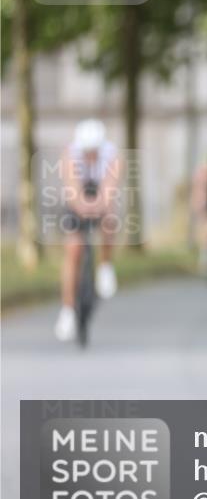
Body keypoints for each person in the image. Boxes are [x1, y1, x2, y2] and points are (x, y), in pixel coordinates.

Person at [54, 119, 121, 342]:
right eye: (87, 151)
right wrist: (84, 206)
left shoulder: (112, 155)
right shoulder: (70, 155)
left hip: (100, 198)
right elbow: (73, 189)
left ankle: (105, 266)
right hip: (78, 202)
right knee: (73, 249)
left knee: (110, 218)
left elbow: (109, 188)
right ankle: (67, 310)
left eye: (94, 151)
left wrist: (100, 205)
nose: (91, 155)